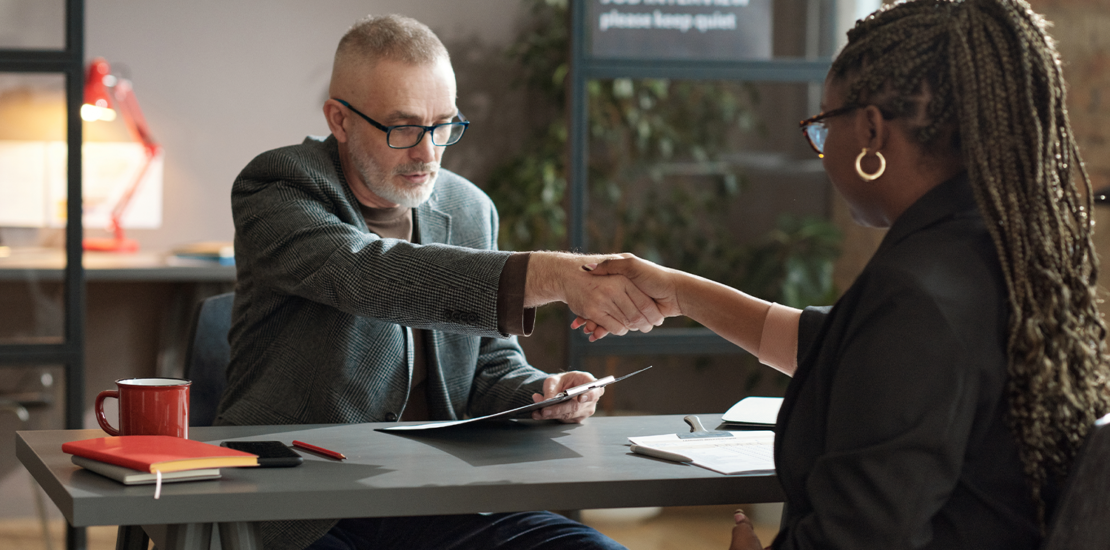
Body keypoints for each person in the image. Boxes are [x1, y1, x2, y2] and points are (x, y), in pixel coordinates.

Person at [576, 0, 1110, 548]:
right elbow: (834, 349)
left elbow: (859, 536)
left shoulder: (917, 294)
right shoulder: (993, 255)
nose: (822, 149)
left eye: (824, 126)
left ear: (871, 131)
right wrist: (681, 292)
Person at [216, 14, 660, 550]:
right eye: (403, 128)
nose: (428, 153)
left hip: (438, 497)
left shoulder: (469, 208)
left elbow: (488, 364)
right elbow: (369, 276)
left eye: (444, 125)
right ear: (340, 119)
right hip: (302, 501)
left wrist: (540, 393)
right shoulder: (278, 186)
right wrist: (549, 274)